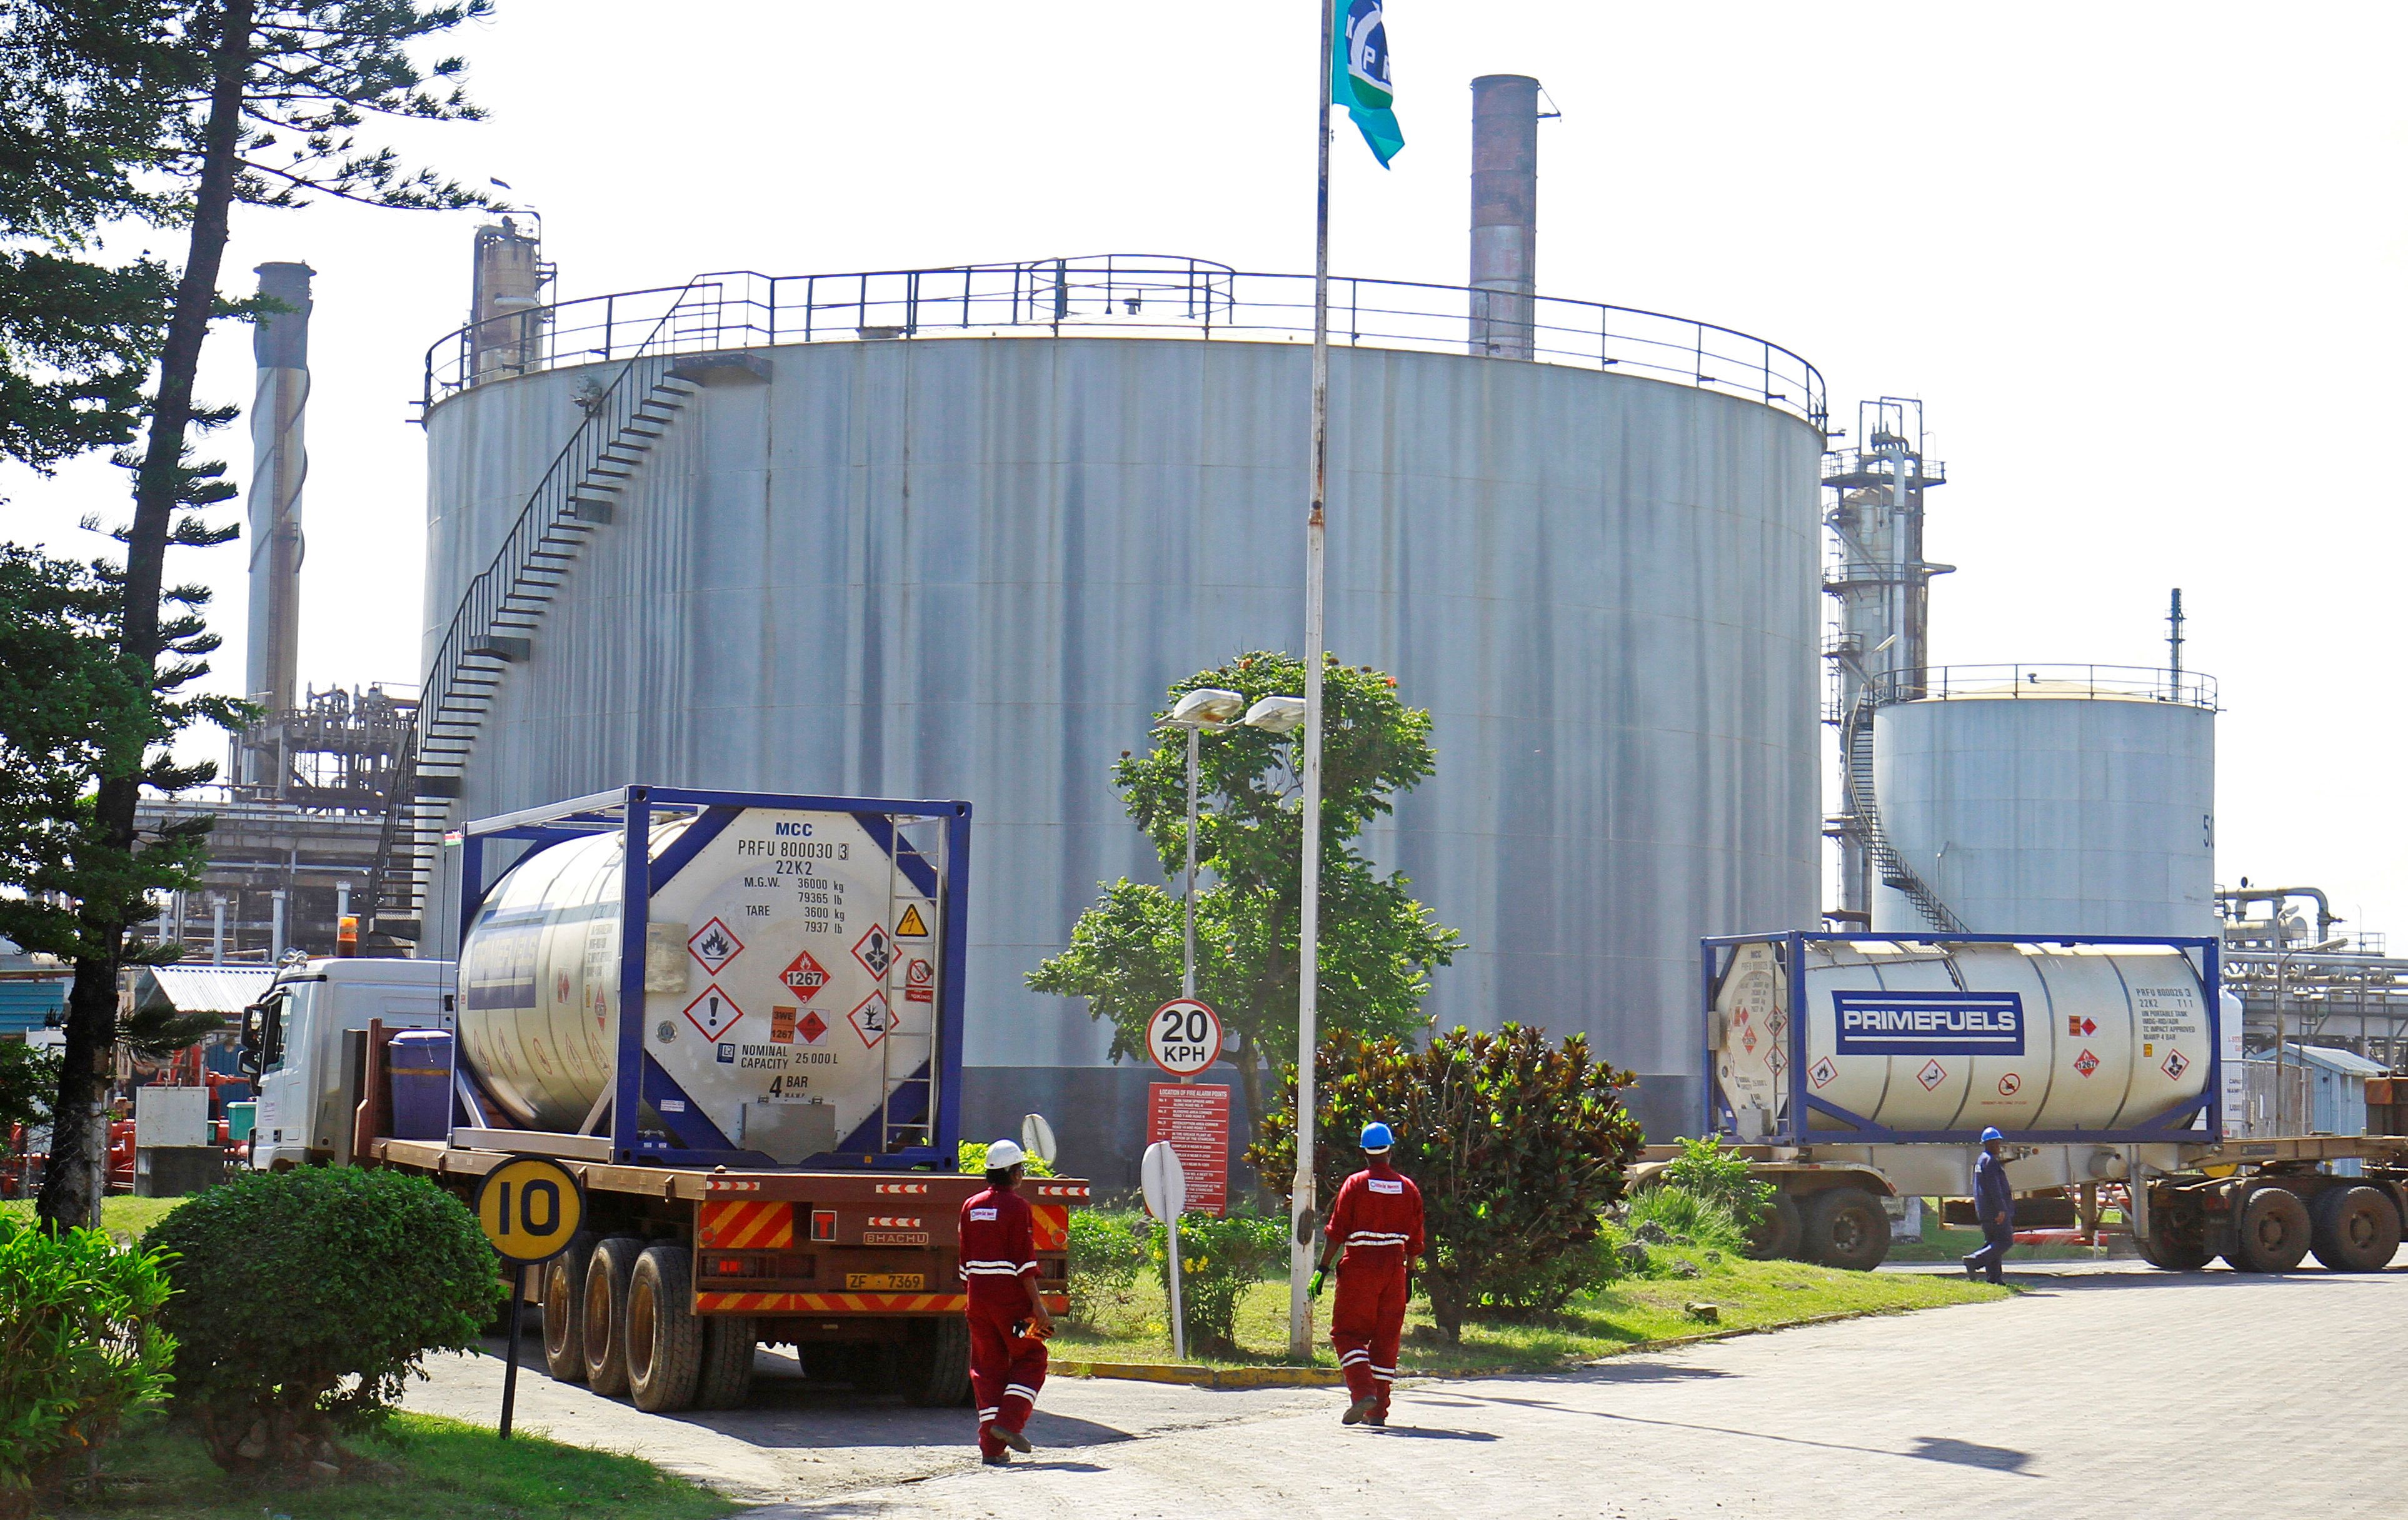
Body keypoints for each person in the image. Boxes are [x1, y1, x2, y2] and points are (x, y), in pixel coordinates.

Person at [1311, 1120, 1425, 1427]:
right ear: (1390, 1151)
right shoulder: (1408, 1187)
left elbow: (1337, 1231)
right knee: (1386, 1340)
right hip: (1394, 1270)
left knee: (1347, 1334)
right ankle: (1378, 1412)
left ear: (1364, 1151)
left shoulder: (1356, 1184)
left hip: (1360, 1267)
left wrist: (1322, 1268)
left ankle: (1362, 1392)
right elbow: (1415, 1240)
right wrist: (1410, 1274)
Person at [958, 1138, 1053, 1466]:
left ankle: (992, 1449)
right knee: (1033, 1356)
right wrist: (1038, 1308)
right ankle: (1009, 1424)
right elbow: (1024, 1263)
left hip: (977, 1299)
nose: (1022, 1174)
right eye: (1021, 1169)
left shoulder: (970, 1206)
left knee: (987, 1370)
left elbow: (964, 1262)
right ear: (1013, 1173)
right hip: (1012, 1304)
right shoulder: (1018, 1208)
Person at [1962, 1126, 2015, 1284]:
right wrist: (2001, 1209)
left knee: (1994, 1244)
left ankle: (1994, 1279)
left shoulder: (1981, 1160)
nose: (1999, 1146)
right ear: (1989, 1144)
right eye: (1996, 1143)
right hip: (1994, 1210)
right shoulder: (1990, 1162)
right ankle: (1975, 1260)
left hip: (1984, 1210)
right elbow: (1994, 1188)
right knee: (2005, 1241)